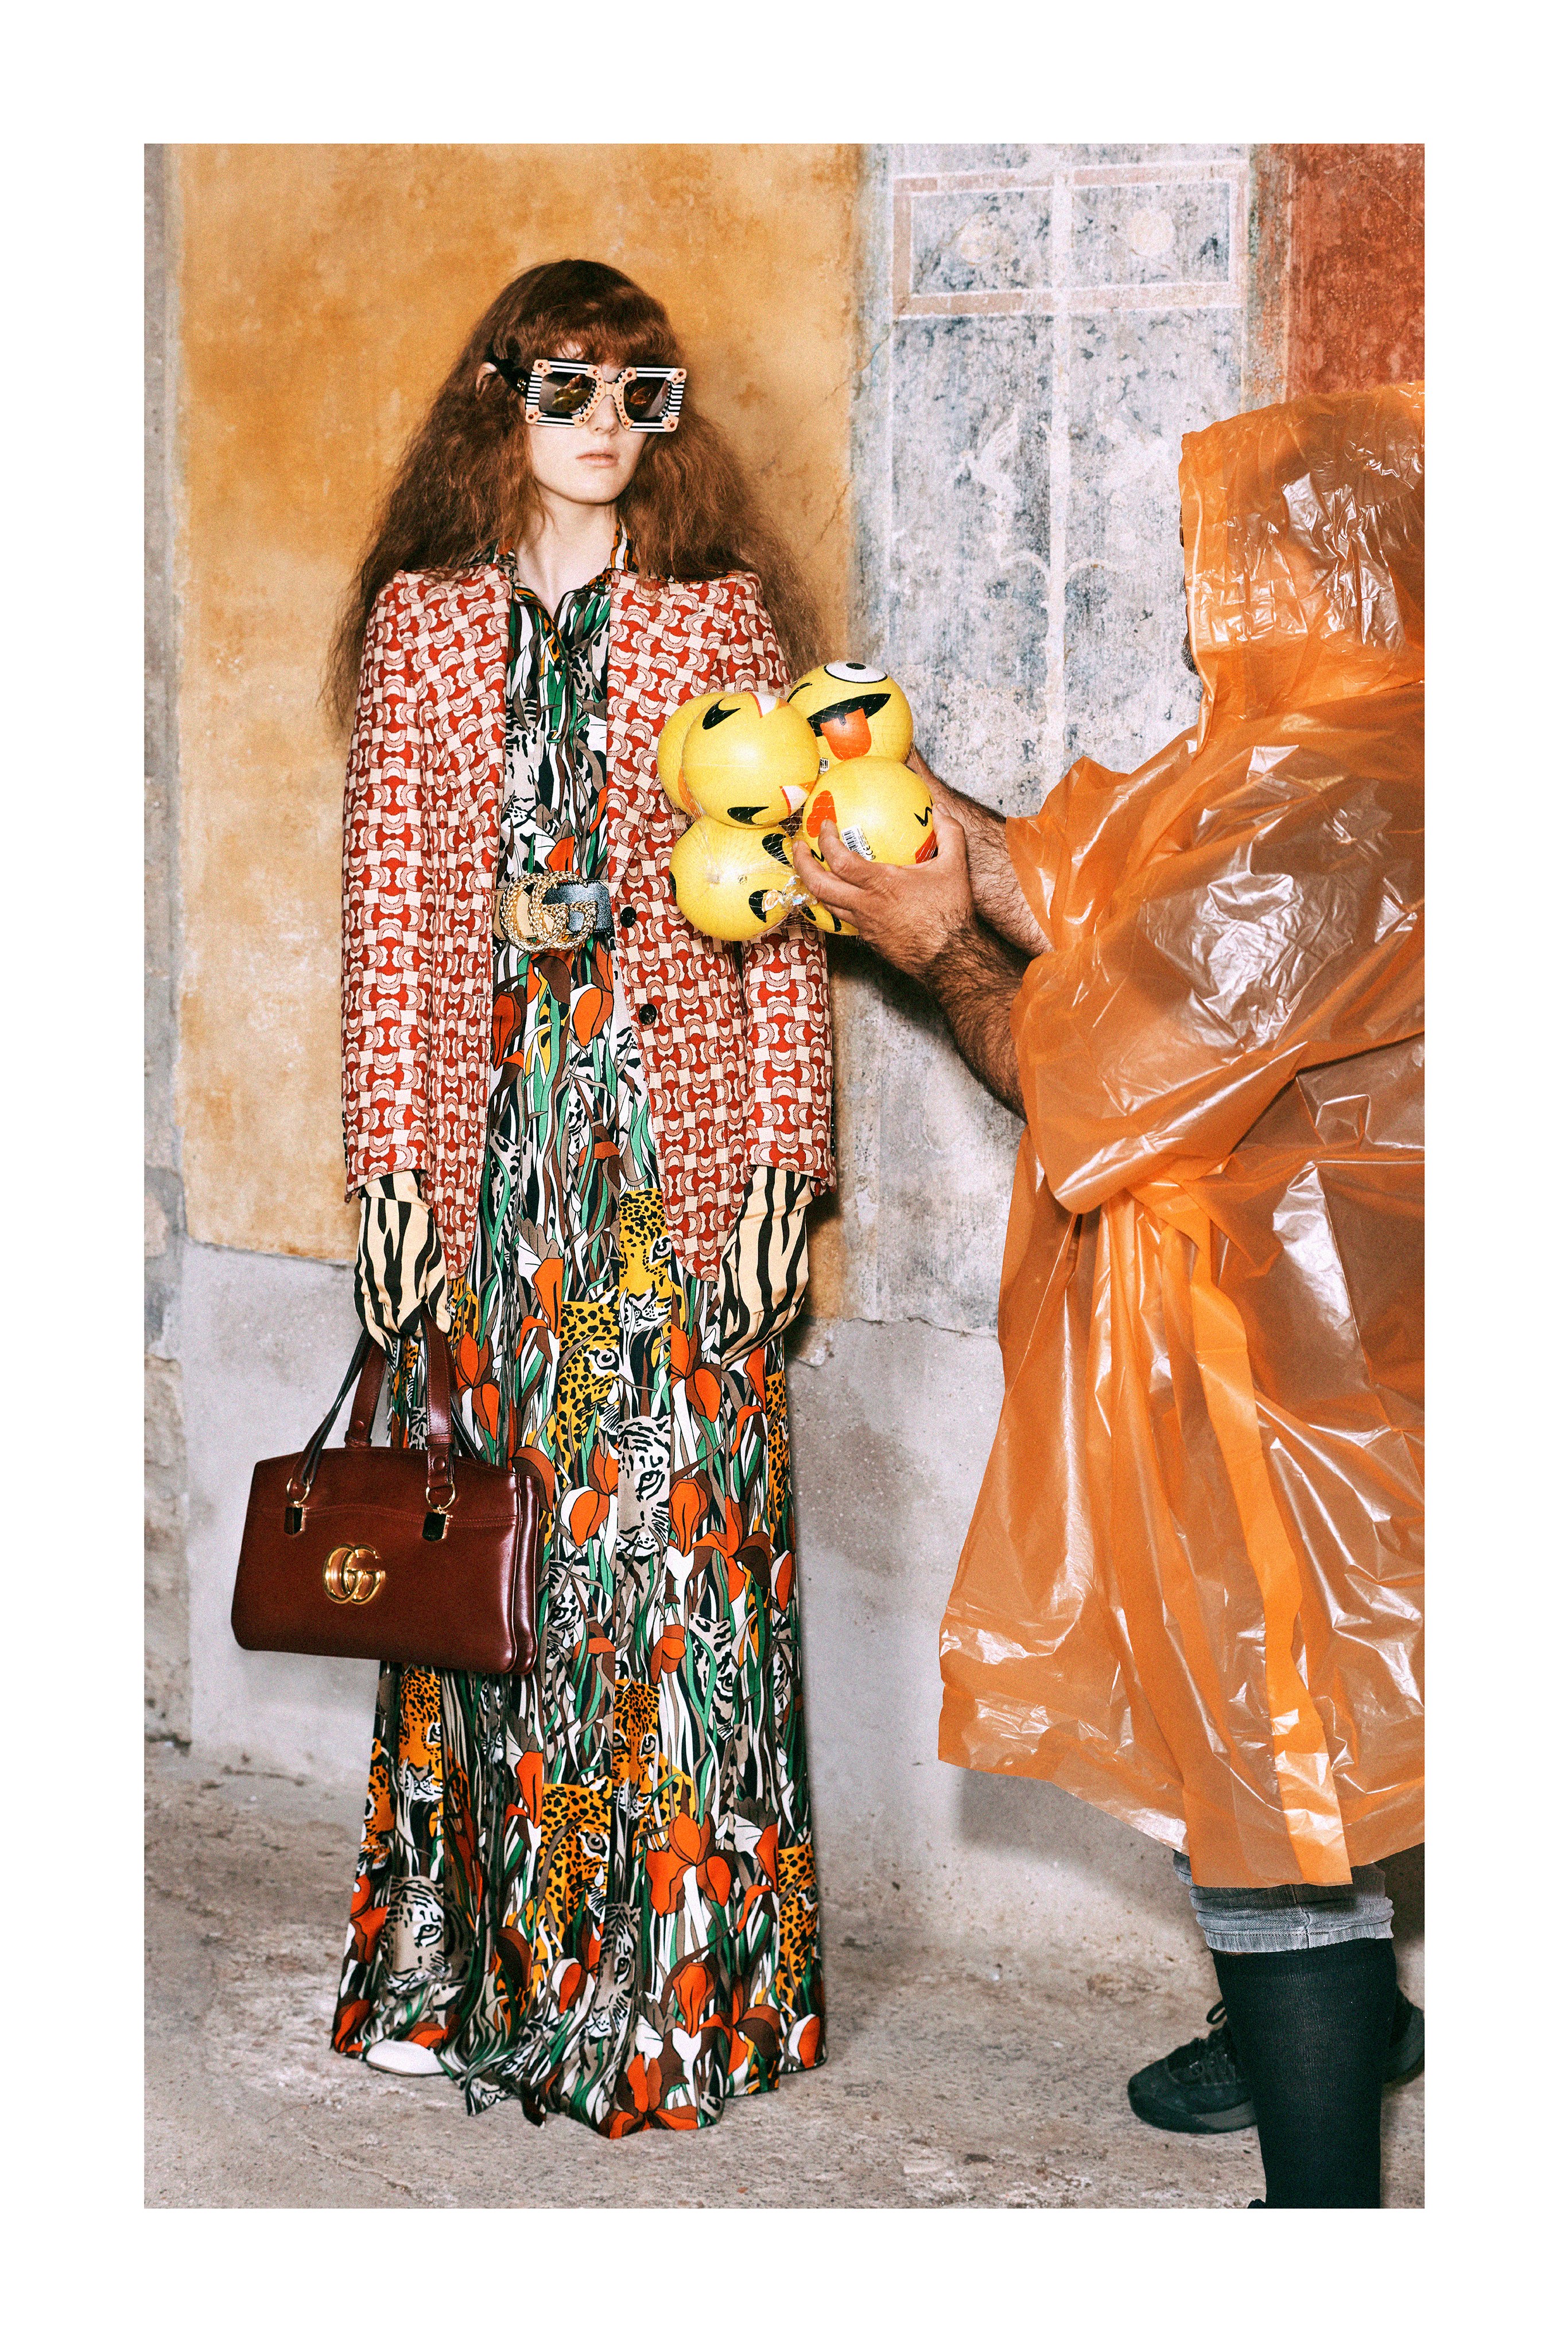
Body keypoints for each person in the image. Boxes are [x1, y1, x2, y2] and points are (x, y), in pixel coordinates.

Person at [794, 386, 1425, 2207]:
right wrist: (906, 802)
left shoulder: (1328, 811)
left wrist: (930, 949)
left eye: (1231, 565)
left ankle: (1324, 2204)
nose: (1202, 600)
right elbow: (1090, 870)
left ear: (1323, 573)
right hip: (1331, 1349)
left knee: (1266, 1781)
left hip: (1277, 1374)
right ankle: (1336, 2026)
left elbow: (1073, 1072)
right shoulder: (1310, 750)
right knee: (1273, 1737)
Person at [327, 258, 834, 2134]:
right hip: (490, 1155)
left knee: (678, 1560)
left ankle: (683, 1991)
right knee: (502, 1553)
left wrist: (785, 1161)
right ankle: (471, 1965)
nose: (606, 426)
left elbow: (782, 918)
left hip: (670, 1151)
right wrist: (387, 1170)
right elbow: (387, 918)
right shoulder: (421, 621)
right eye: (566, 388)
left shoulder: (722, 616)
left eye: (642, 392)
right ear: (499, 401)